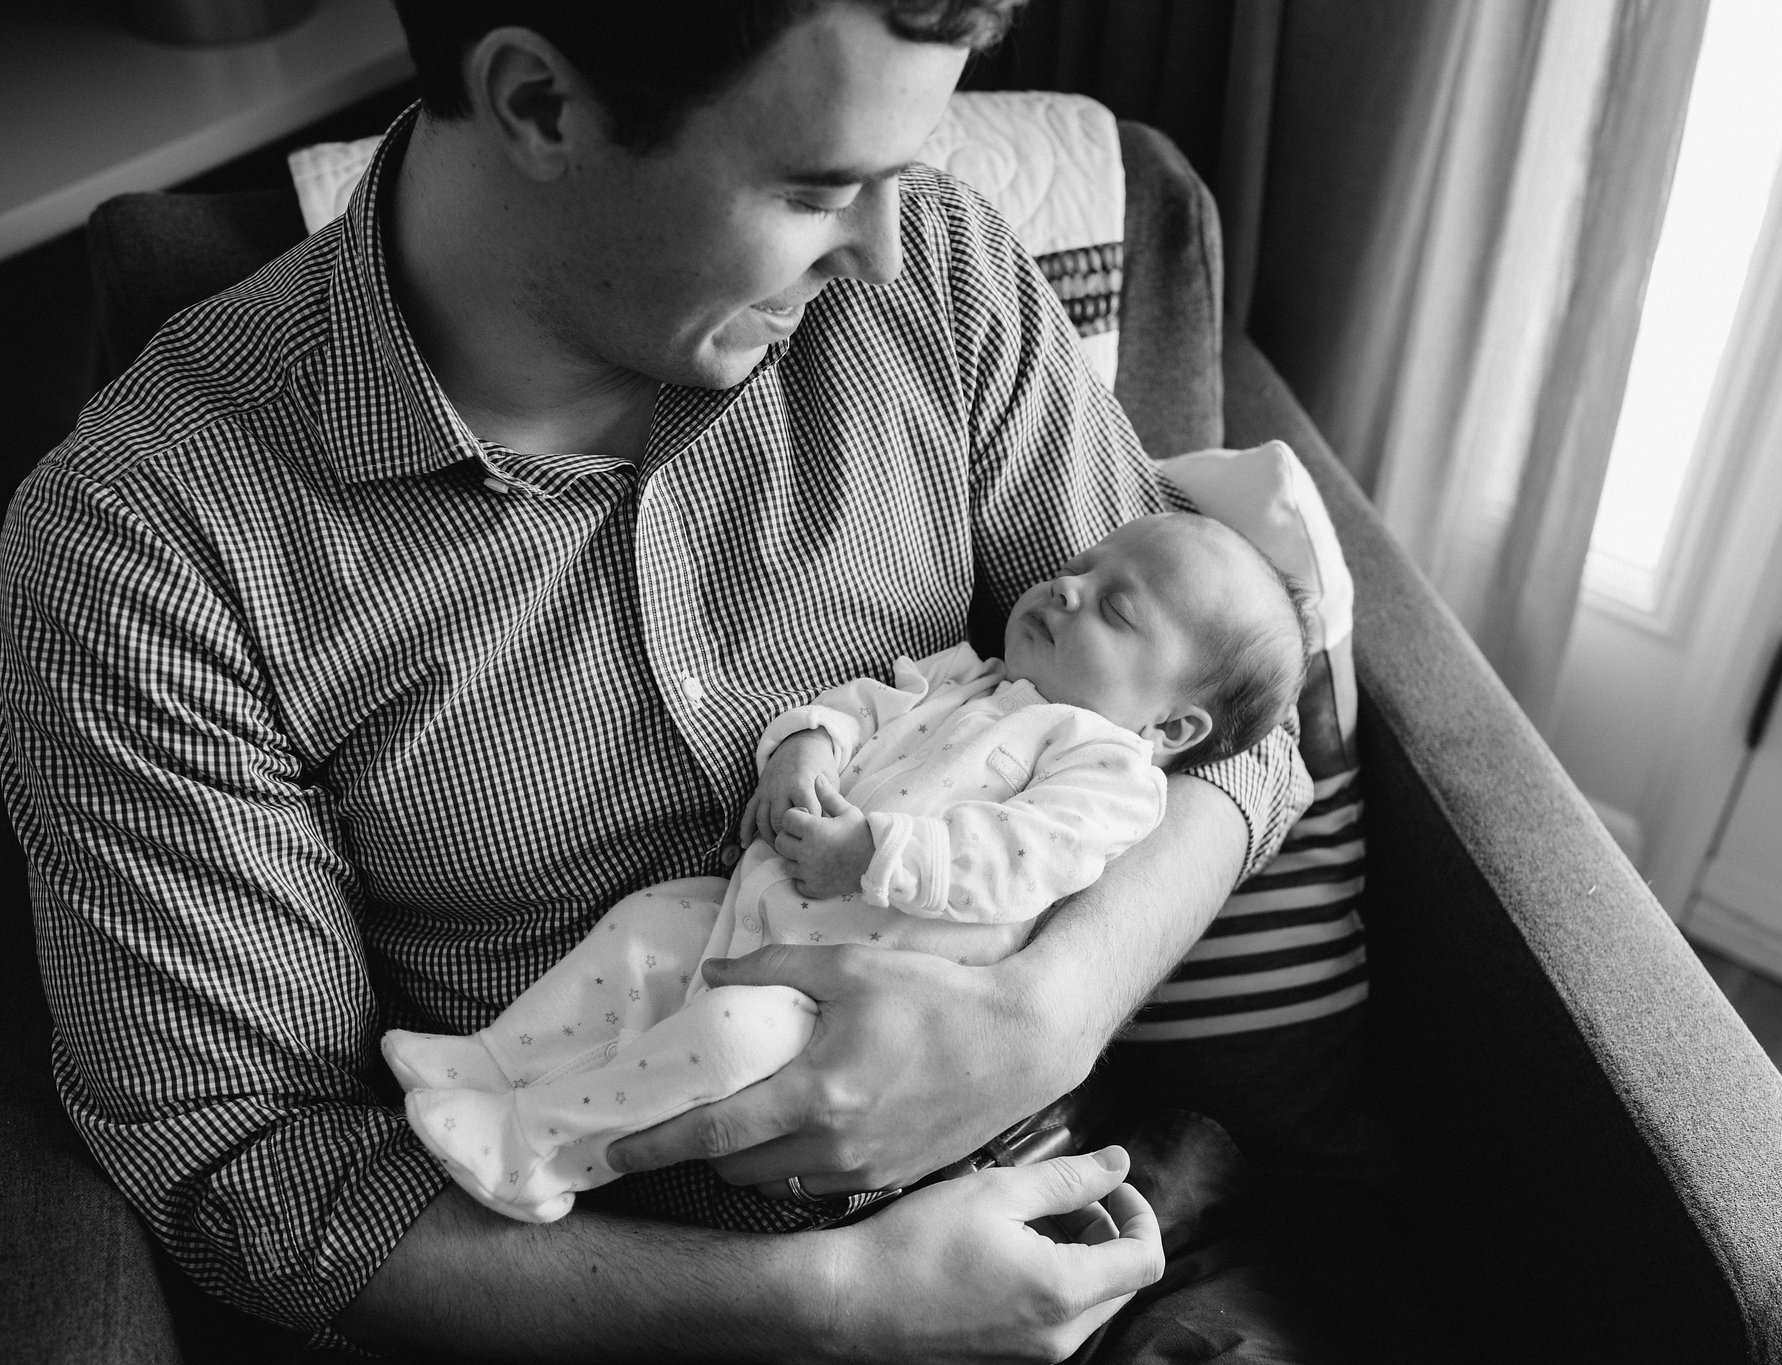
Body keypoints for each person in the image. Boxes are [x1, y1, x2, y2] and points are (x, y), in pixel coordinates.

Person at [0, 2, 1313, 1359]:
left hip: (1082, 1218)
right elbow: (254, 1172)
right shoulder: (147, 544)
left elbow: (1230, 738)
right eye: (816, 189)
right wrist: (836, 1311)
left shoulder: (945, 275)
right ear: (538, 106)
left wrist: (1049, 1018)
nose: (879, 249)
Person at [384, 512, 1310, 1226]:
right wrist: (803, 752)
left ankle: (539, 1148)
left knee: (726, 1041)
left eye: (1114, 608)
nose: (1068, 589)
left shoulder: (1109, 771)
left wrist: (874, 855)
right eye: (1081, 567)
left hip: (836, 1010)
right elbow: (858, 704)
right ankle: (493, 1062)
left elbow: (1018, 859)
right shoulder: (971, 678)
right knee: (641, 928)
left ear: (1172, 728)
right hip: (746, 912)